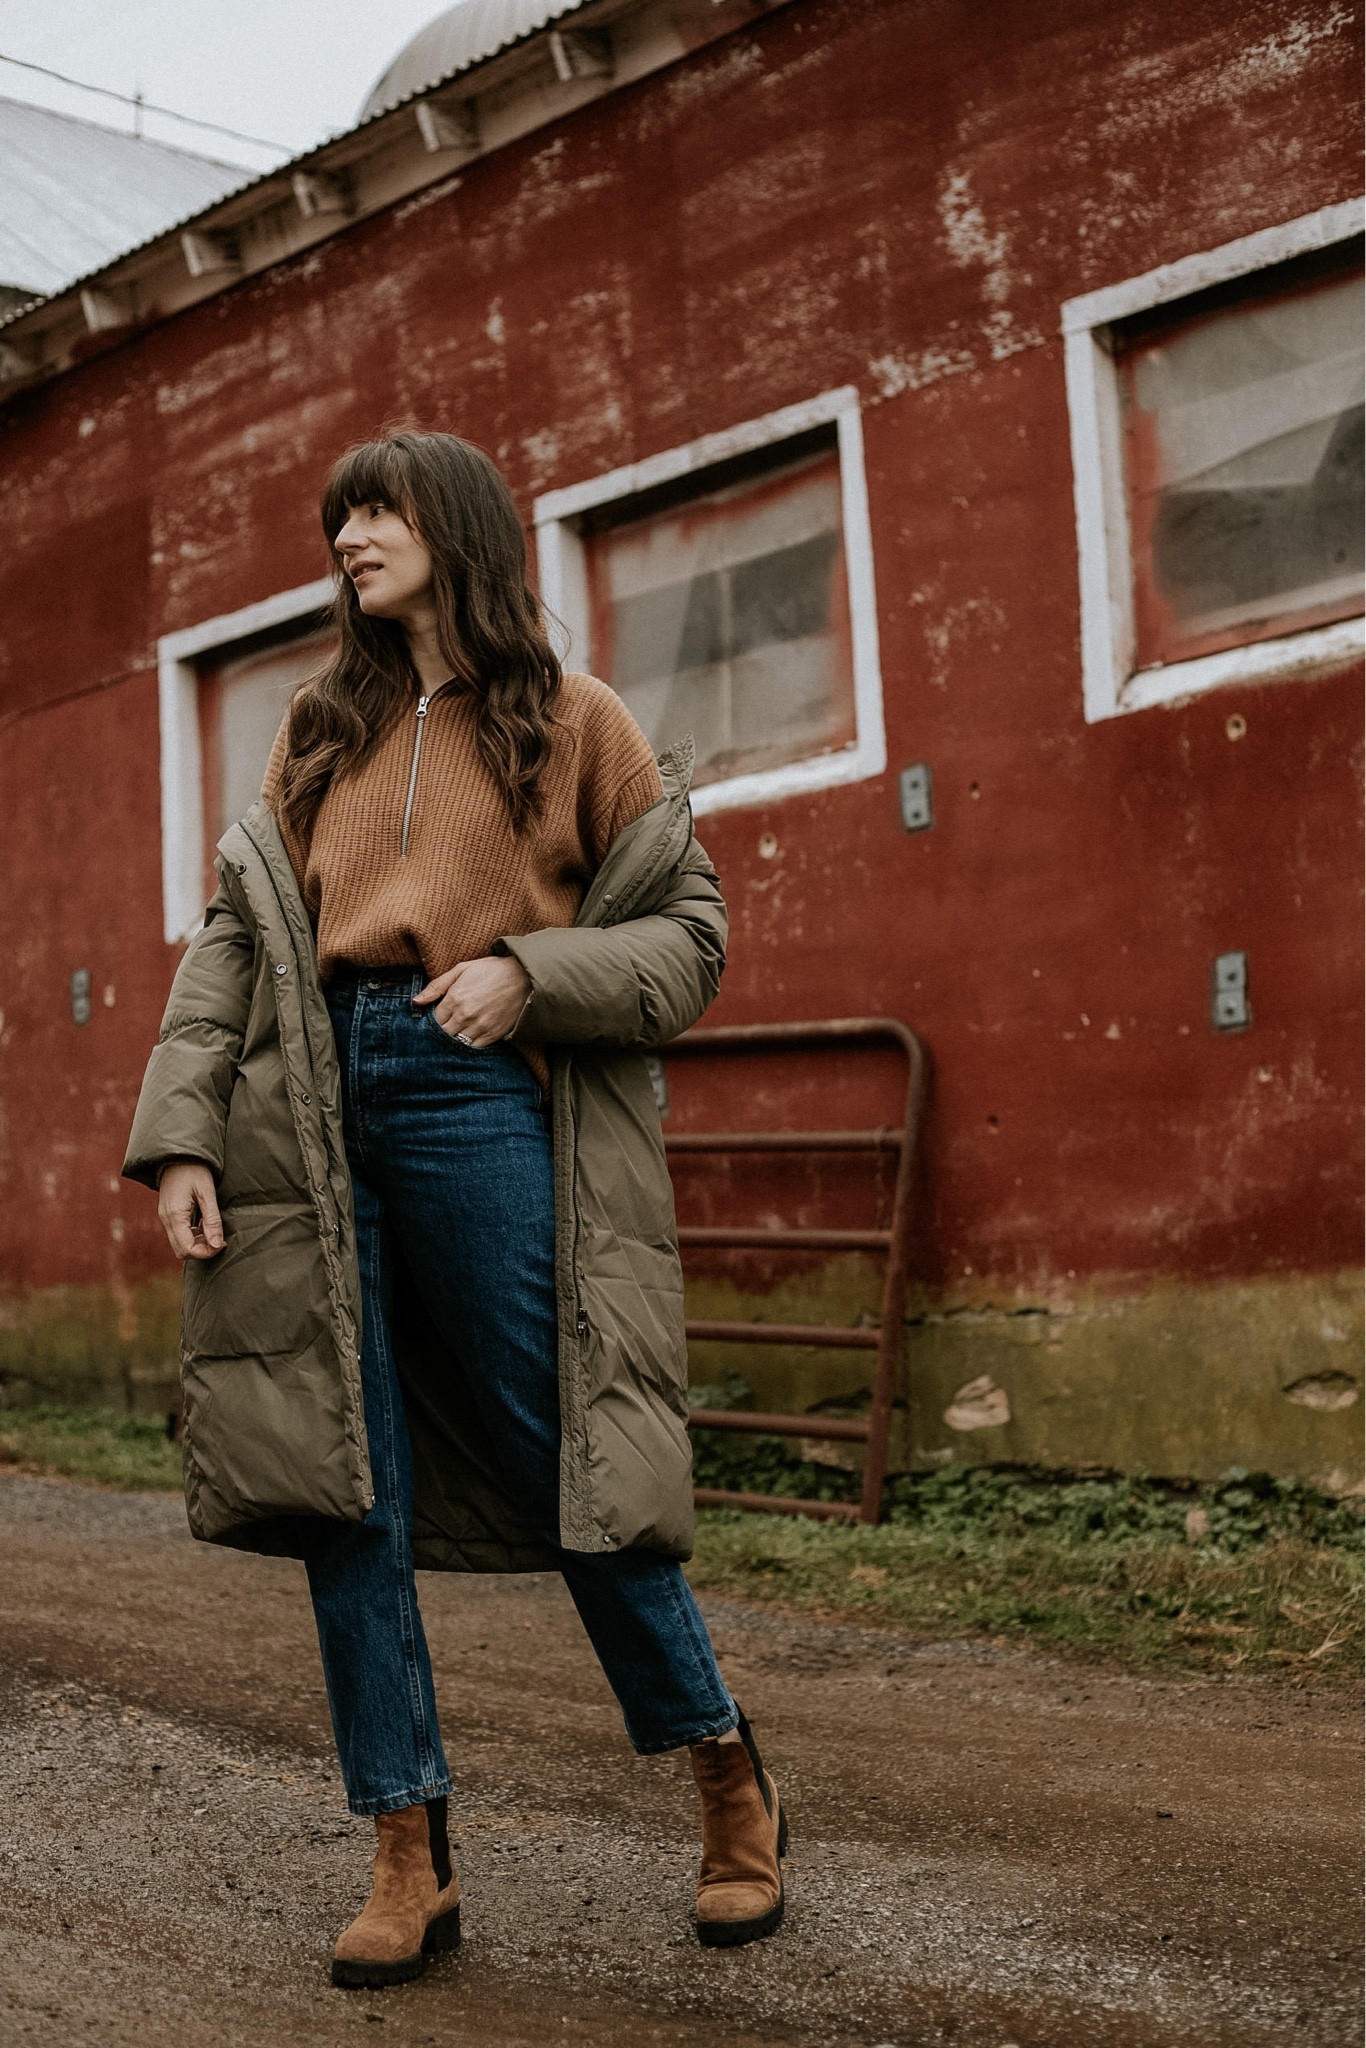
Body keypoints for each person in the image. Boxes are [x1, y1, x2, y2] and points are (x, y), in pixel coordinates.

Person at [123, 430, 787, 1991]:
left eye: (377, 510)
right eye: (336, 518)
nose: (349, 535)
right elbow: (233, 948)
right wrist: (184, 1142)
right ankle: (405, 1851)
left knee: (565, 1440)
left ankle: (723, 1777)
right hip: (307, 1101)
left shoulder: (573, 718)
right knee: (343, 1476)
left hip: (474, 1084)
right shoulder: (315, 725)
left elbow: (689, 939)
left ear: (459, 528)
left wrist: (529, 973)